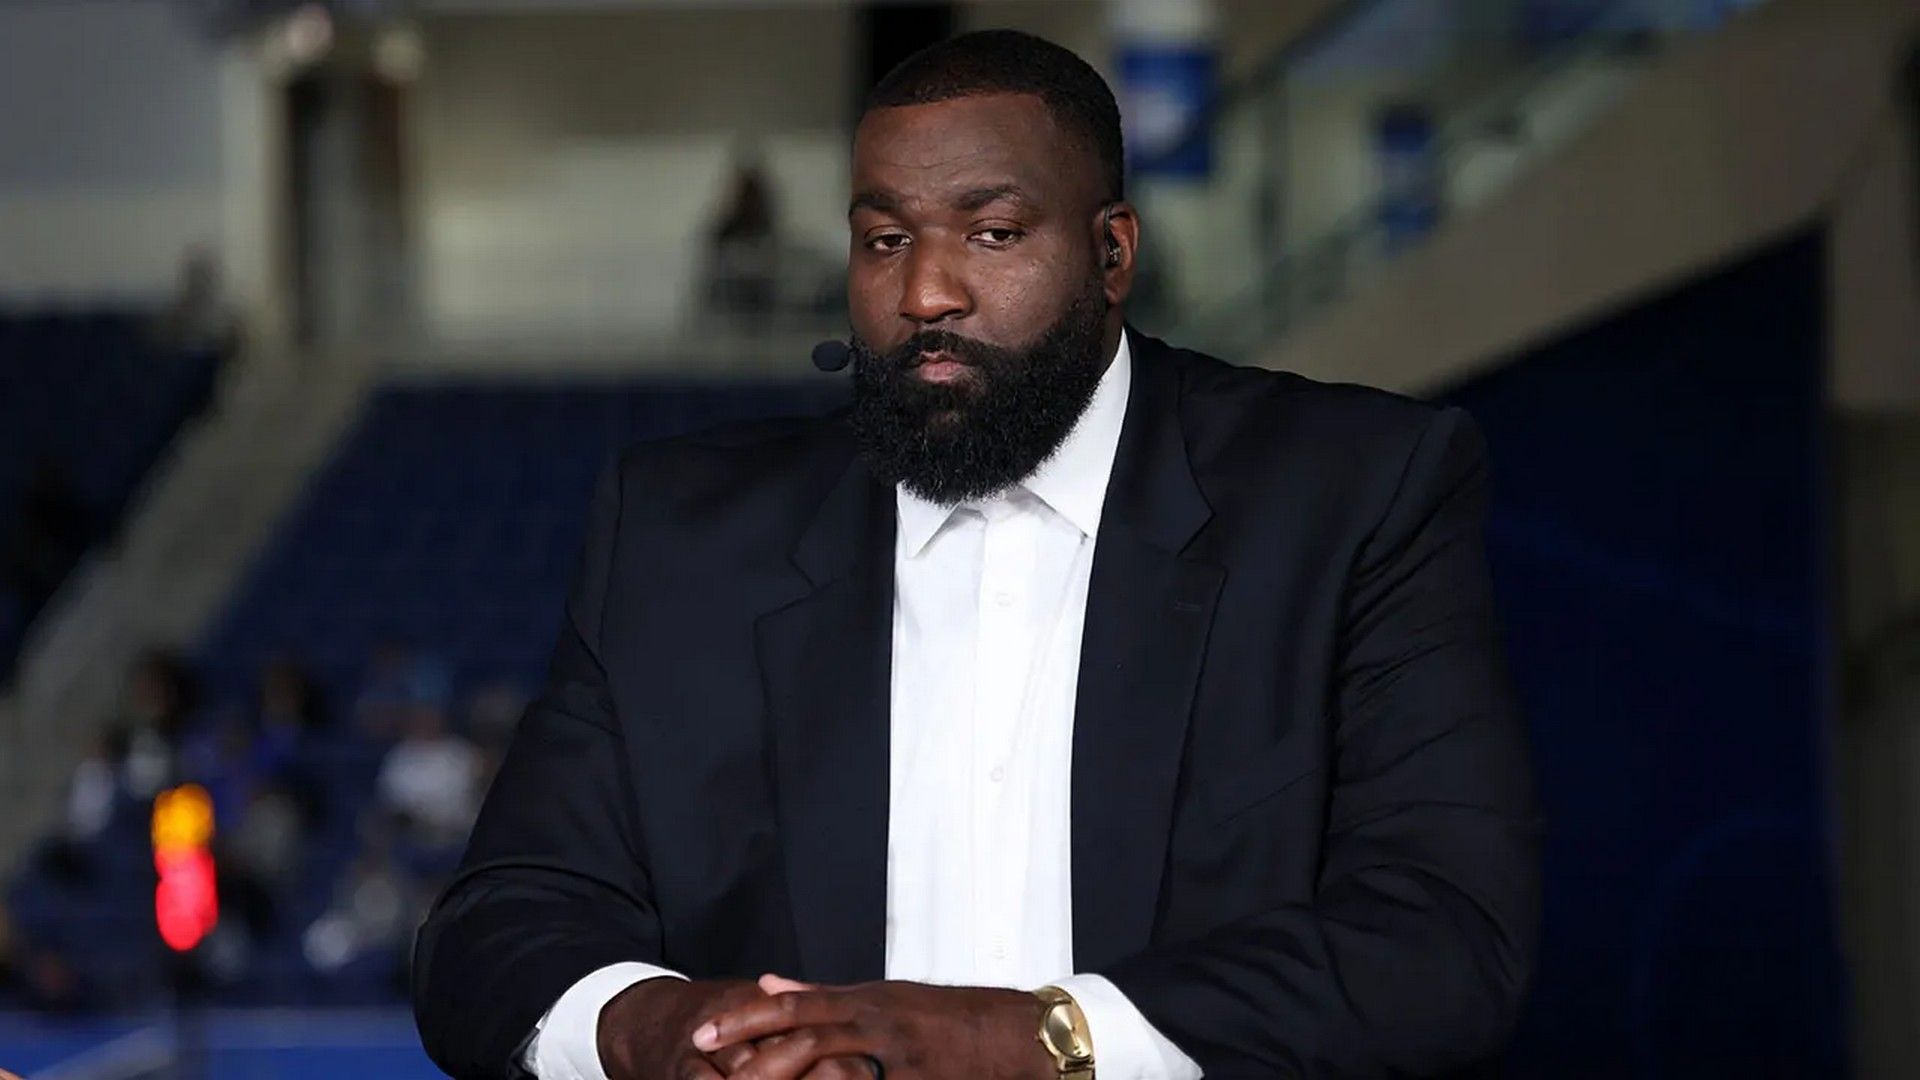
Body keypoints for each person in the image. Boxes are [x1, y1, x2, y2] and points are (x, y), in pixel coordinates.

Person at [413, 30, 1538, 1080]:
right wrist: (670, 1032)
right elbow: (493, 932)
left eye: (993, 234)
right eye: (885, 240)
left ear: (1112, 252)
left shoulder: (1351, 494)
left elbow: (1441, 940)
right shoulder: (681, 535)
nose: (925, 294)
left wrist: (1030, 1037)